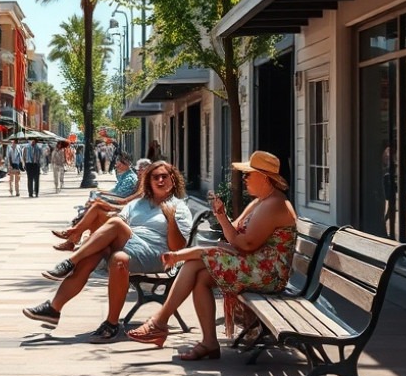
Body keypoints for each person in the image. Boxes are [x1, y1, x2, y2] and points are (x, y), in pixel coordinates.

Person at [127, 151, 297, 360]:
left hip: (268, 273)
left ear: (264, 177)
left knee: (194, 264)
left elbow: (244, 243)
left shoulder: (274, 204)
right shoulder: (261, 201)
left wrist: (224, 228)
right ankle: (206, 341)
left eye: (248, 175)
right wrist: (221, 216)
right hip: (255, 265)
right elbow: (233, 233)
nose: (244, 179)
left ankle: (159, 323)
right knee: (200, 278)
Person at [24, 161, 192, 343]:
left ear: (173, 180)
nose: (160, 180)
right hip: (130, 248)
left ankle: (69, 262)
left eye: (164, 176)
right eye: (155, 177)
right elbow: (117, 223)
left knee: (114, 227)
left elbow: (177, 248)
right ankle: (60, 311)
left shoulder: (179, 207)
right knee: (108, 254)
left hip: (158, 255)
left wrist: (171, 219)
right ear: (149, 181)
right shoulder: (138, 203)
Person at [51, 151, 140, 252]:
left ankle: (71, 236)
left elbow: (120, 197)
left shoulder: (130, 178)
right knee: (92, 205)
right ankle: (72, 238)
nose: (116, 164)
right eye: (117, 161)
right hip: (119, 204)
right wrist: (101, 193)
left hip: (121, 208)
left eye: (119, 162)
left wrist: (102, 197)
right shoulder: (124, 176)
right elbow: (116, 192)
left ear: (127, 163)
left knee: (93, 207)